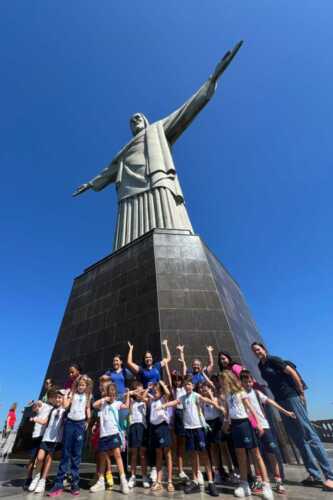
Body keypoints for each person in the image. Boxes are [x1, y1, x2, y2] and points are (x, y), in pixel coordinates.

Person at [251, 342, 333, 492]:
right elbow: (273, 381)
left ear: (264, 349)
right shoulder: (261, 366)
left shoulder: (273, 360)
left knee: (309, 434)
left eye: (258, 349)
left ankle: (330, 476)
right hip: (280, 401)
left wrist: (301, 393)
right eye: (254, 351)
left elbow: (292, 374)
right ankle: (314, 474)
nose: (257, 352)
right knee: (297, 438)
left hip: (291, 397)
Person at [240, 369, 296, 495]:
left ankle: (278, 480)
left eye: (249, 381)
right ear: (241, 383)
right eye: (245, 382)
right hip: (251, 427)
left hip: (264, 426)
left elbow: (270, 402)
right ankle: (259, 479)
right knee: (256, 454)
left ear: (252, 381)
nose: (248, 384)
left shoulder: (257, 393)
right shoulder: (240, 395)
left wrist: (285, 412)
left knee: (272, 453)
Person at [220, 371, 274, 499]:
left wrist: (259, 424)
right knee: (240, 455)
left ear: (228, 380)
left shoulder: (241, 392)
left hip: (245, 424)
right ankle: (244, 484)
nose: (222, 384)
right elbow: (228, 413)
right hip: (235, 426)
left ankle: (266, 485)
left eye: (223, 381)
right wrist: (226, 424)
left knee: (255, 454)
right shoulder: (227, 395)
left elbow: (250, 409)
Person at [163, 377, 221, 496]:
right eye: (186, 385)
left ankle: (210, 482)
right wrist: (164, 405)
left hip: (198, 428)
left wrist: (215, 403)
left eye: (189, 384)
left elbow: (205, 399)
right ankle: (195, 481)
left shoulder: (195, 395)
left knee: (204, 454)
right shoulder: (183, 398)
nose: (187, 386)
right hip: (188, 429)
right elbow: (175, 402)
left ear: (193, 386)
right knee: (193, 455)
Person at [48, 375, 93, 497]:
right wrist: (67, 396)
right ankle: (58, 484)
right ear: (76, 385)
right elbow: (66, 406)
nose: (81, 387)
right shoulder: (71, 394)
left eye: (83, 385)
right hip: (70, 423)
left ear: (86, 386)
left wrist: (88, 422)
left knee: (76, 455)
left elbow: (88, 410)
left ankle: (74, 484)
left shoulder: (88, 396)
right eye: (79, 384)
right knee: (65, 454)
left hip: (80, 425)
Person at [91, 383, 131, 494]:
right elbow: (94, 404)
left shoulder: (118, 403)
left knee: (117, 455)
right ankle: (101, 482)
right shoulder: (103, 403)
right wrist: (104, 398)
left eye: (114, 391)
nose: (112, 393)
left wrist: (127, 396)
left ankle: (123, 481)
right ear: (107, 393)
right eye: (110, 391)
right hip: (104, 434)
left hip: (114, 433)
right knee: (103, 457)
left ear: (115, 393)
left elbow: (126, 406)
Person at [28, 389, 66, 494]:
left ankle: (43, 480)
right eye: (57, 397)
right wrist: (34, 419)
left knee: (48, 459)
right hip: (46, 438)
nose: (58, 399)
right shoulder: (52, 410)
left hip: (55, 440)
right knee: (39, 458)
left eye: (60, 398)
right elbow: (45, 421)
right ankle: (36, 477)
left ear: (64, 399)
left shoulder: (64, 411)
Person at [148, 381, 174, 492]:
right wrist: (149, 389)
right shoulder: (152, 400)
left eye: (156, 390)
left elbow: (168, 393)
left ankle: (169, 481)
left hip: (162, 427)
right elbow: (144, 395)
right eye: (154, 391)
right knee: (158, 453)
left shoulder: (163, 399)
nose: (155, 392)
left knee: (167, 453)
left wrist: (161, 384)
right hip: (154, 429)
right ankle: (158, 481)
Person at [89, 375, 114, 492]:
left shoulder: (111, 398)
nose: (102, 386)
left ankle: (108, 473)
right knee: (98, 452)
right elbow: (98, 413)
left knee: (105, 453)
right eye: (100, 384)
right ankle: (98, 474)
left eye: (104, 383)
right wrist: (95, 424)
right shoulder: (100, 399)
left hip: (109, 429)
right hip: (99, 427)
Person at [24, 398, 53, 490]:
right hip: (37, 435)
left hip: (44, 436)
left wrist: (37, 403)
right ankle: (29, 479)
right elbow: (35, 408)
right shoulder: (41, 408)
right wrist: (35, 405)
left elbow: (38, 404)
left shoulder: (49, 407)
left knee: (41, 459)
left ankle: (39, 478)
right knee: (33, 458)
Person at [198, 382, 225, 484]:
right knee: (208, 448)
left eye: (206, 389)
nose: (204, 391)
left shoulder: (216, 399)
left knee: (216, 447)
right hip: (207, 424)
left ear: (210, 389)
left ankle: (219, 471)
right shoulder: (202, 401)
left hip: (216, 423)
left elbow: (220, 409)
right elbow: (200, 412)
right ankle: (211, 471)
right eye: (203, 390)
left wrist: (210, 396)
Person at [127, 381, 150, 489]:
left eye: (140, 388)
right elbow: (126, 396)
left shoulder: (145, 400)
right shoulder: (131, 400)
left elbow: (146, 397)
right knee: (134, 454)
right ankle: (133, 477)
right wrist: (133, 392)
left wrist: (144, 391)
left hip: (142, 427)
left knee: (142, 453)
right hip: (133, 426)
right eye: (137, 389)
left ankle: (144, 476)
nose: (138, 391)